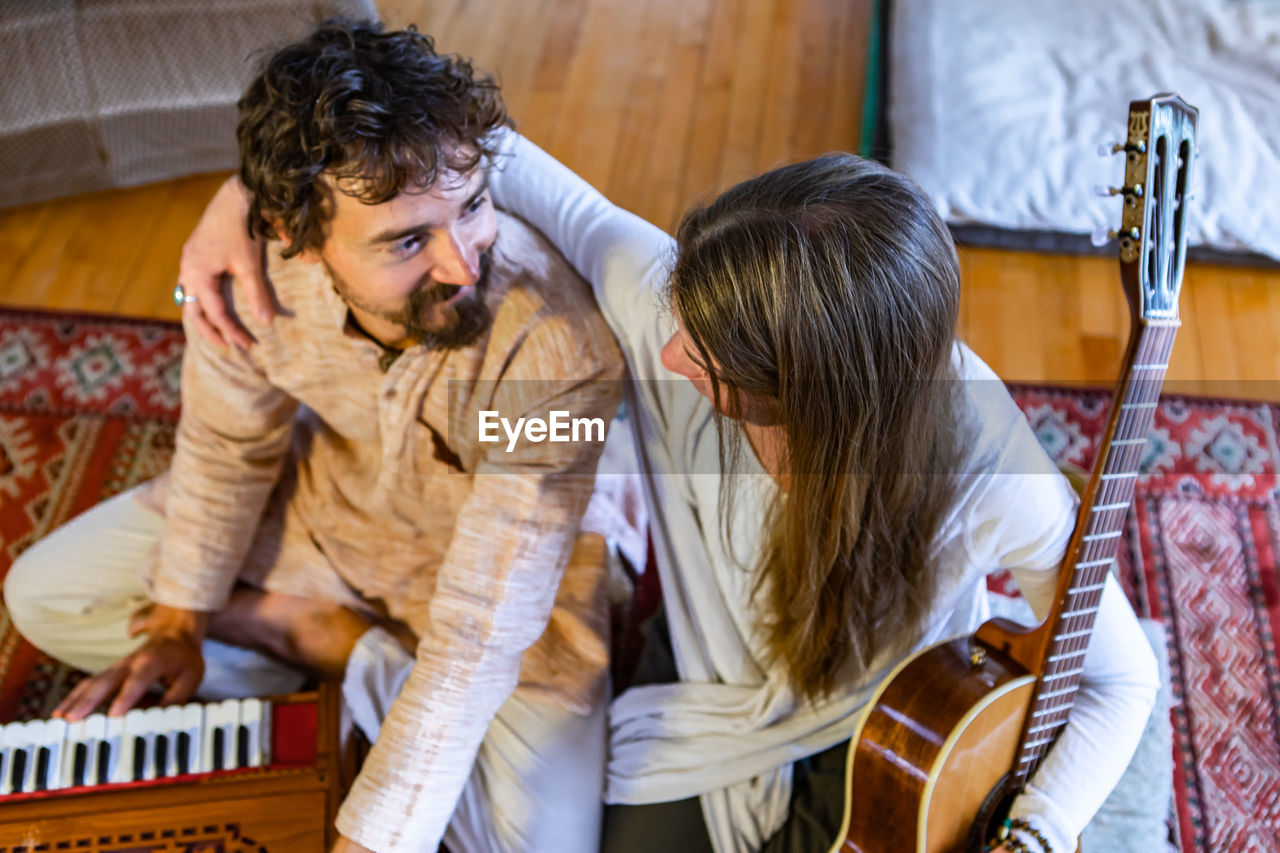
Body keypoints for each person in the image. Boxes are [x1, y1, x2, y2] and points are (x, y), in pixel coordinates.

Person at [176, 130, 1160, 851]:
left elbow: (1122, 680)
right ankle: (348, 647)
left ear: (816, 394)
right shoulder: (661, 292)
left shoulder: (987, 471)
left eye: (714, 354)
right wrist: (244, 198)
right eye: (685, 310)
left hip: (876, 721)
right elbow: (476, 142)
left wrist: (1038, 829)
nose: (667, 351)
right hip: (698, 702)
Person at [3, 21, 637, 853]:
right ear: (296, 234)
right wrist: (180, 621)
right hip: (331, 515)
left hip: (521, 595)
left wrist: (370, 838)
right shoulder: (255, 271)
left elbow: (483, 628)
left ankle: (331, 648)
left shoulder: (558, 348)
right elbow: (229, 448)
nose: (464, 263)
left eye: (475, 205)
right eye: (410, 240)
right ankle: (315, 647)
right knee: (47, 595)